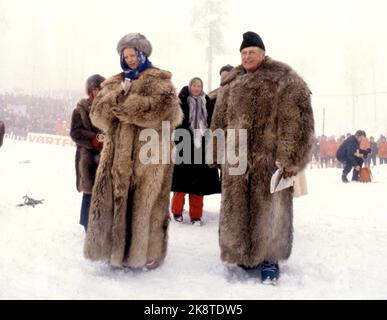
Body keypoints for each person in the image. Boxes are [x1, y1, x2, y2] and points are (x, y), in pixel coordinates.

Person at [210, 31, 314, 284]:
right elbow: (219, 122)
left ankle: (270, 259)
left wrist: (288, 158)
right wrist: (215, 152)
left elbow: (297, 120)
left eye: (252, 52)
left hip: (270, 161)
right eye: (243, 53)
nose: (247, 57)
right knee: (237, 208)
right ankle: (245, 255)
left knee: (270, 209)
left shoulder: (283, 79)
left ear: (263, 53)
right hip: (236, 159)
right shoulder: (231, 83)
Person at [84, 33, 182, 269]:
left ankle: (148, 252)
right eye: (125, 56)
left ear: (143, 54)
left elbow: (164, 112)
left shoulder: (160, 83)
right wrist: (116, 97)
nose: (129, 59)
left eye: (133, 55)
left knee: (145, 204)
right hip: (116, 155)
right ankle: (114, 252)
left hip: (148, 154)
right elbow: (97, 116)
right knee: (115, 199)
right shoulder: (112, 83)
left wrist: (128, 106)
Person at [171, 77, 221, 226]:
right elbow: (175, 123)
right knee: (181, 184)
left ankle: (196, 215)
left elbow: (212, 123)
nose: (196, 88)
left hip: (201, 149)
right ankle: (177, 211)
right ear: (189, 86)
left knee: (198, 186)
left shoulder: (207, 102)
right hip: (184, 146)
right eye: (194, 85)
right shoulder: (181, 102)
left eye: (199, 85)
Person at [70, 74, 105, 231]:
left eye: (101, 89)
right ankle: (86, 224)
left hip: (105, 156)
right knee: (89, 192)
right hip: (88, 157)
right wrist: (93, 139)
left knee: (104, 192)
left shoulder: (109, 108)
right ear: (90, 90)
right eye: (95, 89)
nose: (98, 92)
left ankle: (100, 223)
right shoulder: (80, 109)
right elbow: (75, 133)